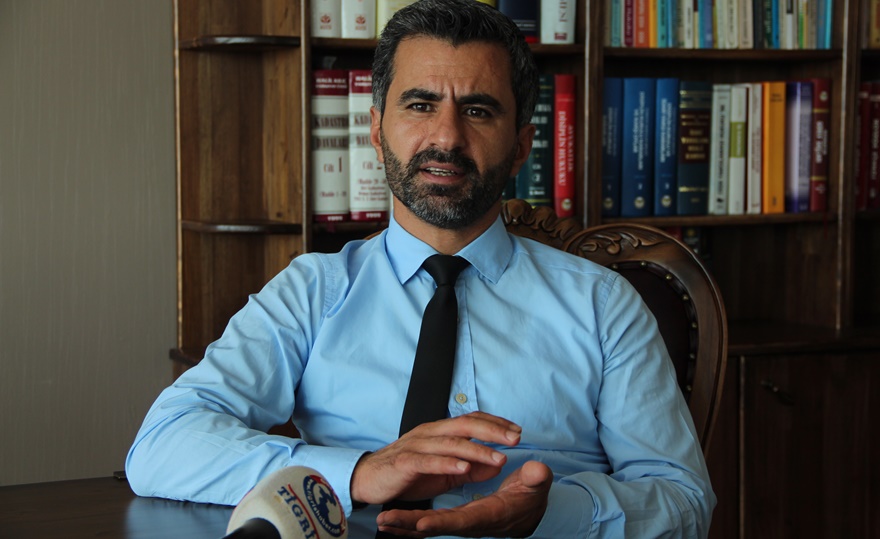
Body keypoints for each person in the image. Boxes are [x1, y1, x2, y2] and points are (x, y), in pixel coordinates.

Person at [126, 0, 716, 537]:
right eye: (420, 105)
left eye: (478, 110)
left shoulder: (603, 305)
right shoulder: (312, 292)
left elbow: (684, 500)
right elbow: (162, 444)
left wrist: (549, 514)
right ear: (376, 129)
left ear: (521, 146)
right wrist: (361, 472)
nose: (446, 138)